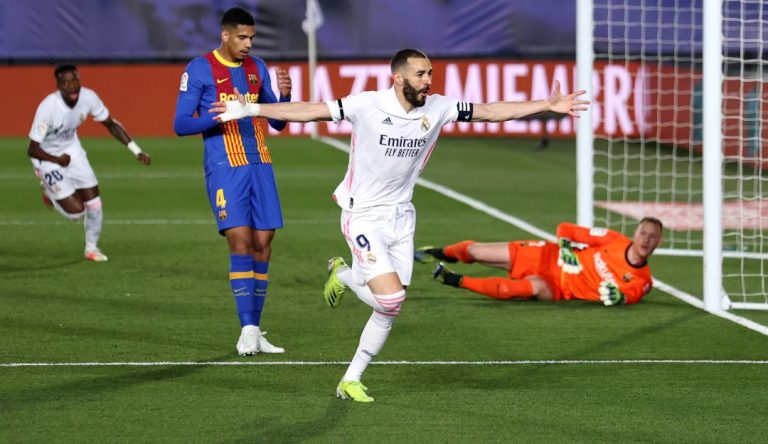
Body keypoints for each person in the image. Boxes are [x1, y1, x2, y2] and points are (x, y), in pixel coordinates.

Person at [210, 48, 589, 402]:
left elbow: (490, 111)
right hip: (362, 214)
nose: (428, 81)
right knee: (391, 299)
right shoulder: (367, 104)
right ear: (397, 78)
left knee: (389, 307)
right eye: (420, 74)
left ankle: (350, 377)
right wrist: (252, 109)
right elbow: (310, 110)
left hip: (401, 217)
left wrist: (547, 104)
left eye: (430, 74)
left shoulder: (439, 107)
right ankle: (345, 280)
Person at [172, 7, 292, 356]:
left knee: (263, 243)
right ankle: (246, 329)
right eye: (242, 37)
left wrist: (283, 97)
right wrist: (222, 117)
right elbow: (181, 123)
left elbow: (278, 122)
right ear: (225, 35)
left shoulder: (257, 68)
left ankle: (255, 329)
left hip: (260, 162)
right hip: (225, 165)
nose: (248, 44)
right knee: (240, 240)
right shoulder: (199, 68)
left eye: (251, 37)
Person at [28, 64, 151, 262]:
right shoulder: (48, 107)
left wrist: (136, 150)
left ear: (79, 80)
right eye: (65, 82)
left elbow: (110, 124)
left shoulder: (88, 97)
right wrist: (57, 160)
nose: (71, 86)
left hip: (73, 151)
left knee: (94, 205)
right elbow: (32, 148)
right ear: (58, 85)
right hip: (46, 158)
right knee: (77, 213)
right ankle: (49, 193)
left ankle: (91, 249)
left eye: (74, 80)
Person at [418, 218, 663, 306]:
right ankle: (440, 252)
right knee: (474, 251)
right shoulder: (613, 240)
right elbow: (566, 228)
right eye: (643, 233)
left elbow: (631, 294)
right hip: (546, 255)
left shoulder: (643, 280)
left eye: (652, 237)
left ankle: (454, 279)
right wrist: (566, 248)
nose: (646, 240)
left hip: (558, 287)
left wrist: (620, 298)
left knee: (527, 288)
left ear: (659, 242)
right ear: (635, 233)